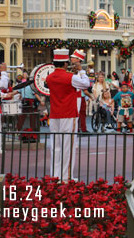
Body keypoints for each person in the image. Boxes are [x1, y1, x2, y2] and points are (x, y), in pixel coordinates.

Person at [46, 49, 90, 181]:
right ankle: (66, 176)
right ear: (65, 63)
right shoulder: (70, 77)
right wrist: (81, 70)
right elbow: (86, 84)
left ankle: (56, 175)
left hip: (54, 115)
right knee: (68, 146)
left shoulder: (49, 77)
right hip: (68, 114)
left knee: (56, 146)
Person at [71, 50, 88, 132]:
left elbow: (85, 83)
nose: (71, 58)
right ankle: (76, 129)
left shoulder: (81, 70)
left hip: (80, 95)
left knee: (82, 113)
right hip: (74, 95)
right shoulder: (71, 68)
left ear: (78, 60)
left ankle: (83, 128)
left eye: (73, 57)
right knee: (75, 113)